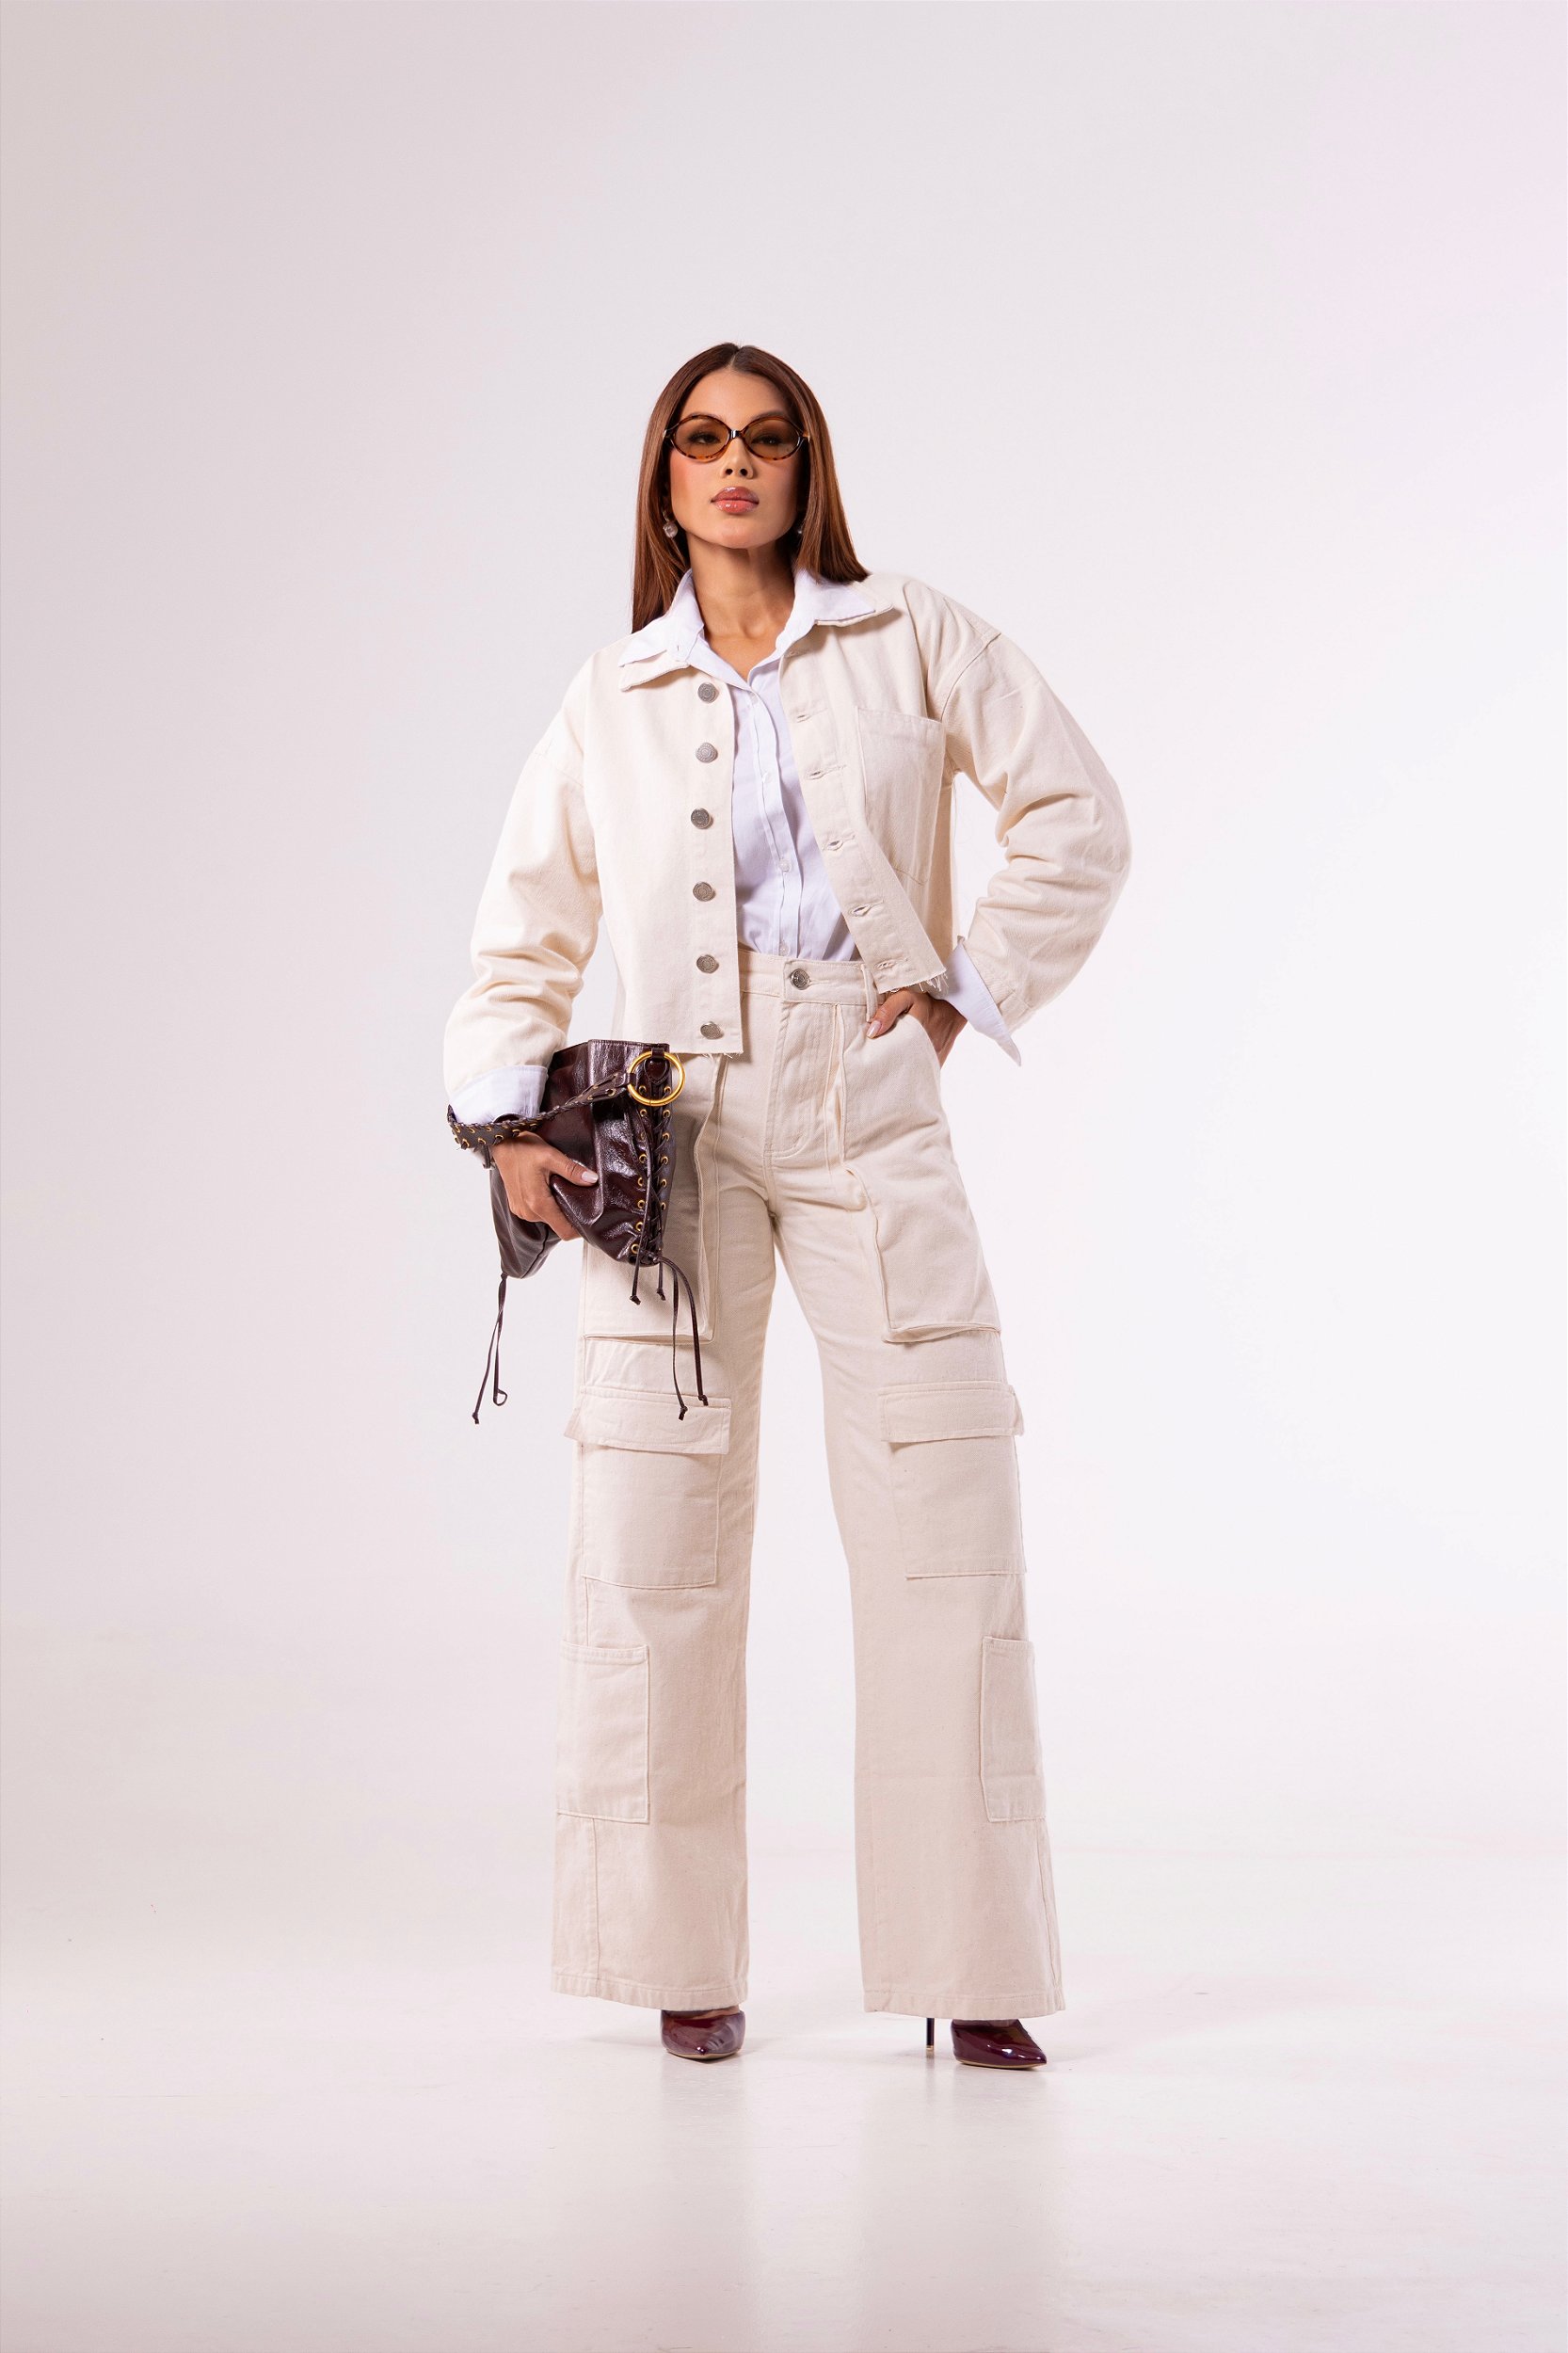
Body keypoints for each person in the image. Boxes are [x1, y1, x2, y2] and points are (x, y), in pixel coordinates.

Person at [443, 341, 1131, 2069]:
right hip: (663, 1119)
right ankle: (676, 1956)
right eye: (702, 440)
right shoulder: (611, 691)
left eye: (766, 439)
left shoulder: (910, 634)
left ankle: (969, 1963)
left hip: (863, 1089)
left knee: (939, 1501)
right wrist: (502, 1126)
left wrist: (962, 992)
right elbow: (523, 927)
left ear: (807, 468)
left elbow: (1075, 814)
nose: (734, 463)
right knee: (655, 1526)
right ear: (665, 481)